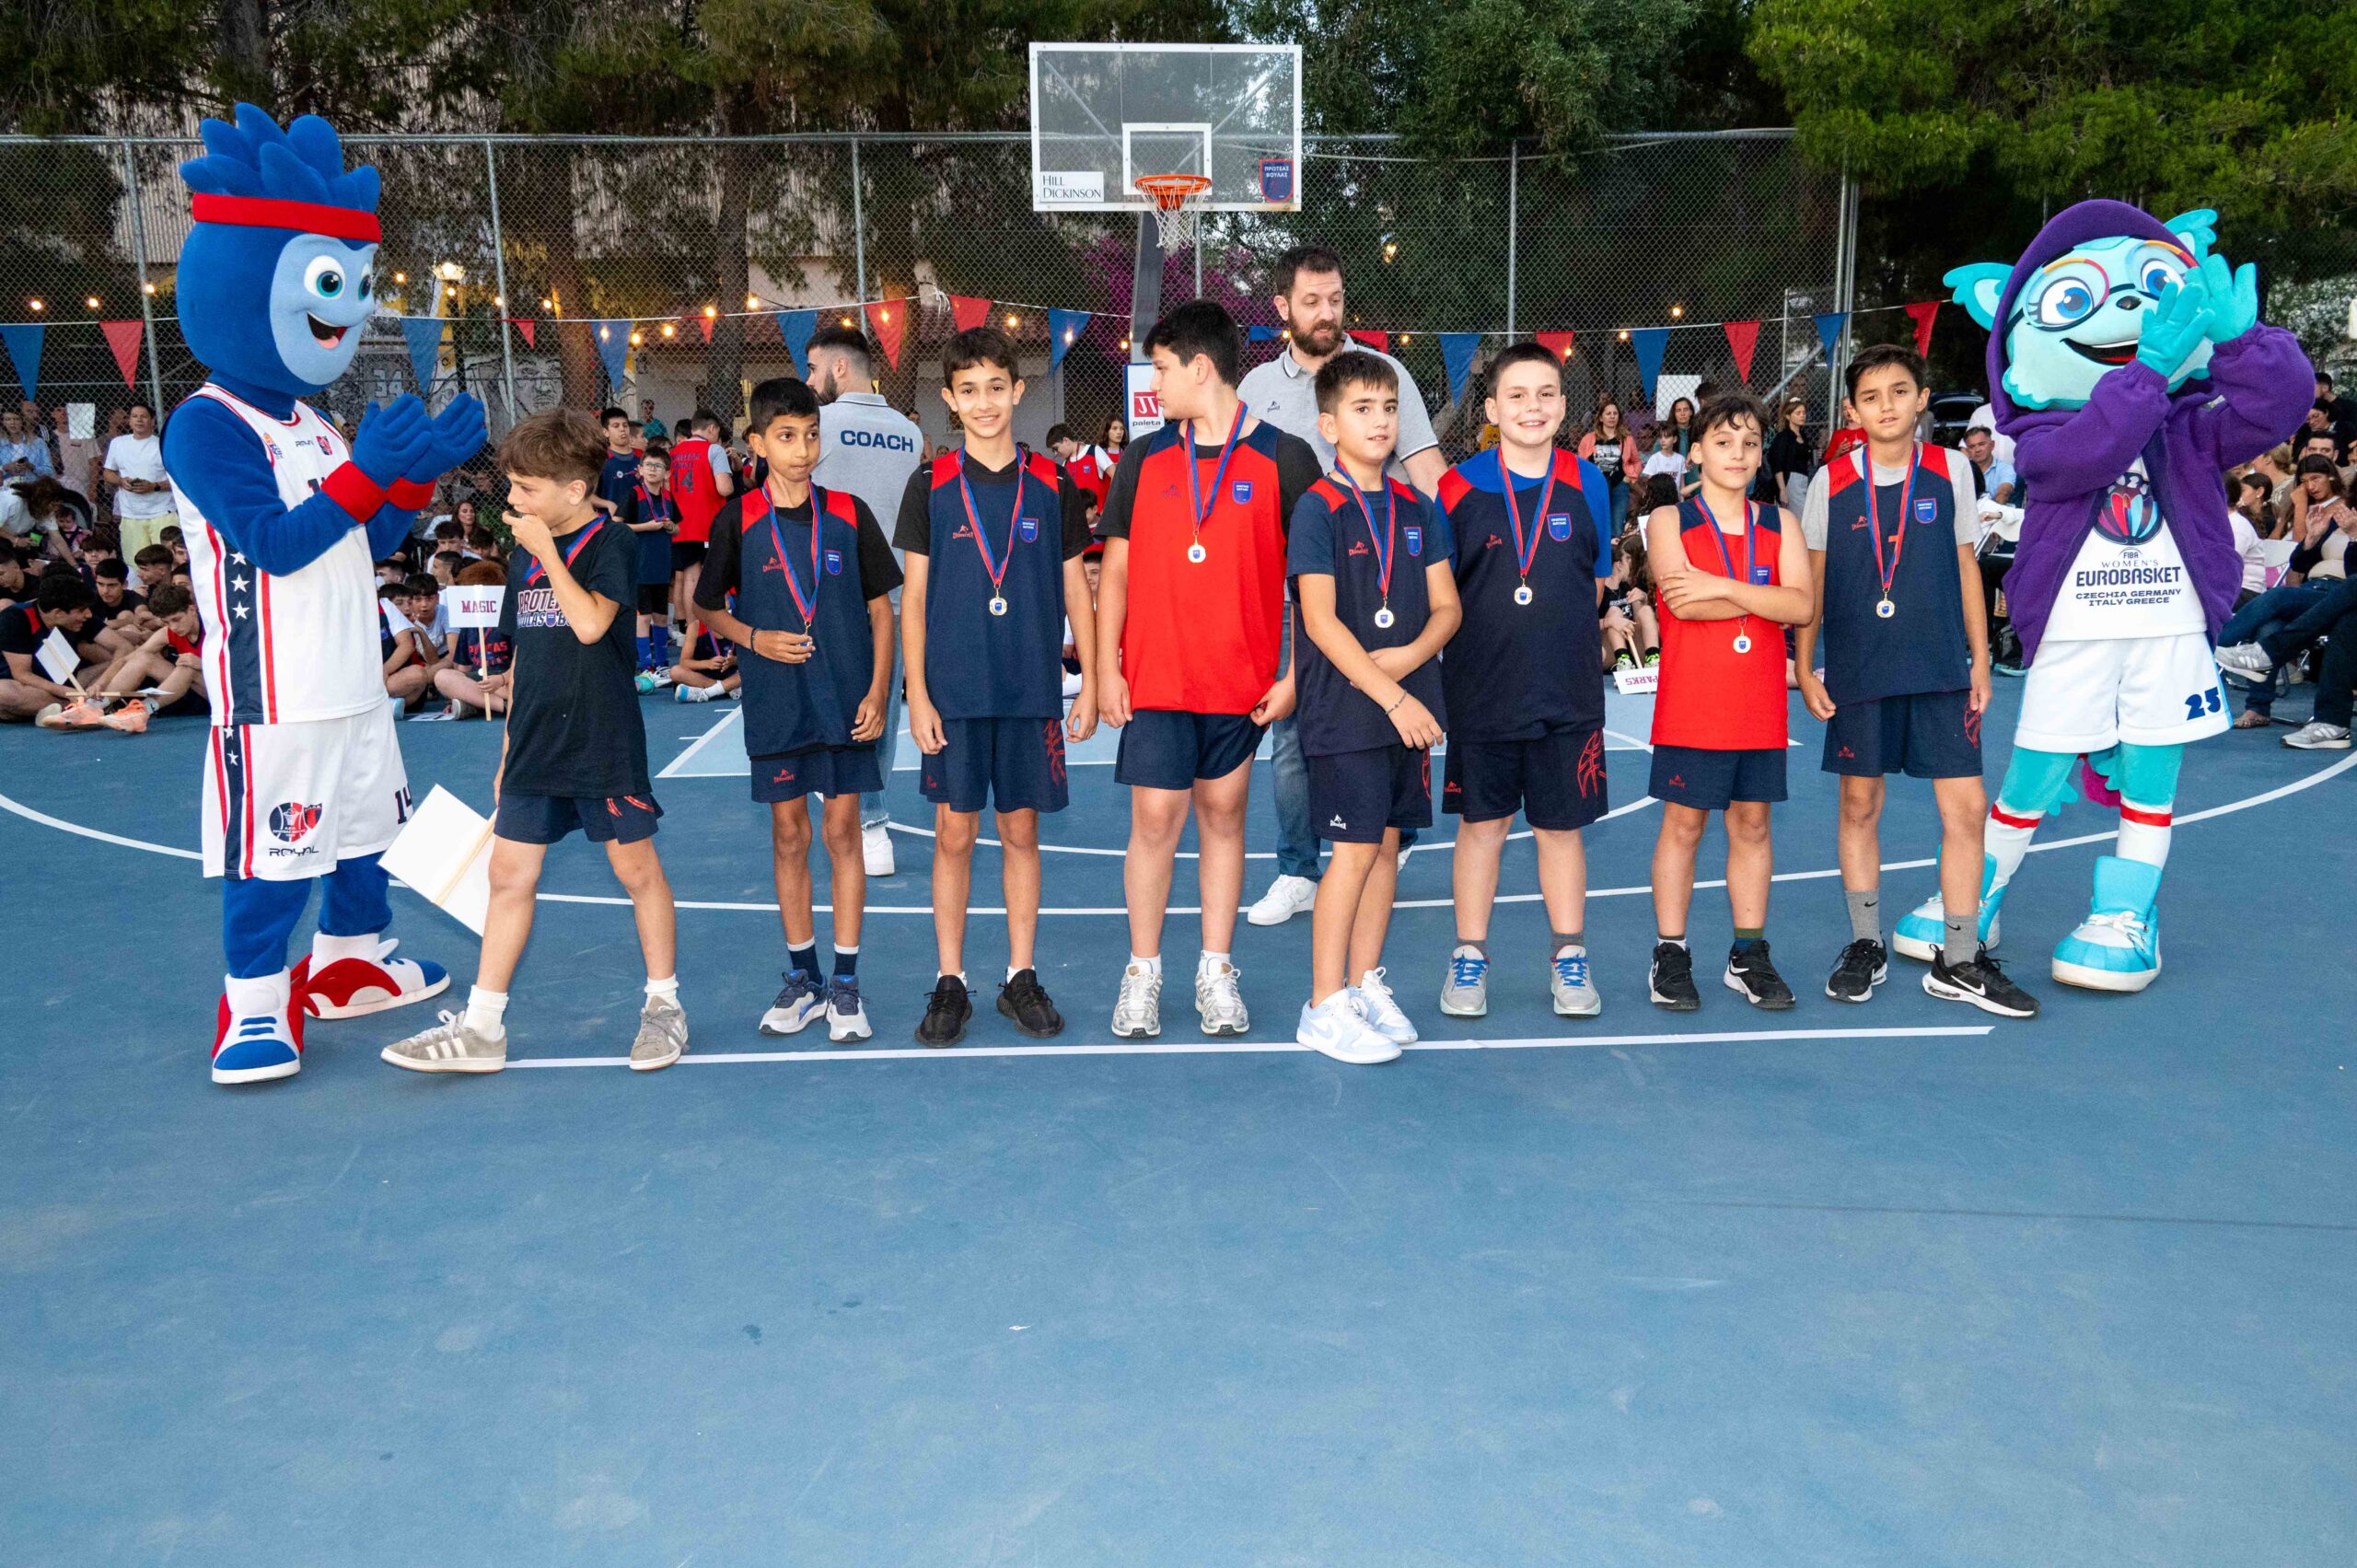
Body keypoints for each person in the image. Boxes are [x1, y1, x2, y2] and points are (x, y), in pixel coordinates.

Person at [381, 410, 685, 1074]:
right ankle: (482, 1027)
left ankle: (664, 1006)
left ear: (574, 490)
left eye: (526, 488)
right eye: (512, 485)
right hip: (535, 744)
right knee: (507, 875)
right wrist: (506, 750)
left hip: (602, 741)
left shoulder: (610, 542)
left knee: (638, 873)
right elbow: (525, 658)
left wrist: (548, 552)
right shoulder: (523, 555)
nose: (513, 500)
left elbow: (590, 625)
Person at [1097, 298, 1320, 1039]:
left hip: (1242, 681)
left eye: (1162, 368)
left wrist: (1295, 675)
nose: (1154, 383)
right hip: (1157, 676)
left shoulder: (1286, 458)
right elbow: (1115, 571)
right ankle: (1143, 970)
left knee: (1224, 816)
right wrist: (1106, 668)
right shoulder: (1144, 457)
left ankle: (1216, 969)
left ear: (1200, 368)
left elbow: (1312, 584)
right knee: (1154, 820)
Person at [1794, 343, 2036, 1016]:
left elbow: (1966, 566)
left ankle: (1959, 957)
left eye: (1900, 392)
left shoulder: (1952, 468)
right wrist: (1804, 664)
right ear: (1852, 410)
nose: (1887, 406)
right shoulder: (1830, 481)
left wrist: (1980, 659)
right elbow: (1813, 580)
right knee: (1859, 805)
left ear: (1922, 398)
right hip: (1859, 667)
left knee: (1967, 808)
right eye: (1871, 397)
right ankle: (1865, 941)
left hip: (1938, 666)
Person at [898, 327, 1100, 1045]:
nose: (983, 402)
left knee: (1021, 829)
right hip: (954, 693)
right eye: (968, 390)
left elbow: (1076, 587)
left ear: (1017, 390)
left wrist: (1091, 680)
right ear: (950, 400)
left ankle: (1020, 974)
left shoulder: (1053, 482)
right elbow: (913, 599)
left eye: (995, 387)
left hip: (1028, 689)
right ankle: (950, 979)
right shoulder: (929, 484)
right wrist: (917, 694)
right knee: (953, 833)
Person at [1237, 244, 1448, 929]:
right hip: (1302, 594)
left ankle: (1390, 841)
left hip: (1385, 587)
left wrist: (1450, 561)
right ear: (1282, 307)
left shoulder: (1386, 374)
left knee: (1392, 723)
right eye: (1311, 302)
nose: (1326, 313)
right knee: (1293, 736)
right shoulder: (1255, 391)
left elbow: (1429, 473)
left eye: (1335, 299)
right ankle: (1298, 869)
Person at [696, 377, 901, 1044]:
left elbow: (881, 612)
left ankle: (846, 983)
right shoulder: (738, 519)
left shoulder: (848, 513)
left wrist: (878, 690)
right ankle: (803, 978)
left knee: (844, 835)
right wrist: (754, 638)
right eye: (786, 436)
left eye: (811, 435)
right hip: (778, 703)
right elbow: (706, 606)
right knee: (789, 836)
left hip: (845, 701)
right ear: (757, 444)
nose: (803, 449)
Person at [1434, 342, 1616, 1020]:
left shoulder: (1588, 482)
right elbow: (1442, 591)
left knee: (1560, 829)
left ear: (1564, 406)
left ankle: (1569, 956)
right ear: (1491, 409)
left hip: (1566, 693)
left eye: (1545, 394)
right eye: (1516, 395)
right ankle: (1469, 955)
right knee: (1482, 826)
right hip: (1482, 691)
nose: (1531, 407)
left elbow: (1594, 582)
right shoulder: (1457, 487)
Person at [1287, 352, 1459, 1063]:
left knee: (1387, 845)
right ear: (1329, 425)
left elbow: (1448, 608)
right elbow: (1319, 621)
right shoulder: (1317, 507)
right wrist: (1389, 692)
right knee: (1354, 850)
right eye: (1362, 408)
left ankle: (1361, 984)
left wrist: (1407, 661)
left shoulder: (1419, 507)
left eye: (1389, 407)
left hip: (1407, 701)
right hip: (1349, 709)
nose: (1381, 420)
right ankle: (1323, 1004)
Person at [1643, 391, 1815, 1011]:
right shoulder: (1670, 520)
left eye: (1749, 443)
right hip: (1693, 700)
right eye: (1722, 442)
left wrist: (1721, 585)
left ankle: (1748, 953)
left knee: (1753, 824)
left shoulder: (1780, 523)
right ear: (1696, 452)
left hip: (1758, 701)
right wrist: (1762, 596)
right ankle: (1670, 952)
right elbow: (1681, 601)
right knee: (1684, 825)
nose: (1737, 453)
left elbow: (1802, 606)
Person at [807, 325, 925, 878]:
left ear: (839, 368)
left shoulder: (821, 425)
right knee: (881, 706)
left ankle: (862, 816)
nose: (810, 380)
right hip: (896, 588)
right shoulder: (908, 431)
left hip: (829, 590)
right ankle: (873, 825)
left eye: (814, 369)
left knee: (829, 702)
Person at [2214, 457, 2352, 726]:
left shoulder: (2351, 526)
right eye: (2305, 481)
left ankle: (2214, 647)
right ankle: (2258, 709)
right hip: (2314, 587)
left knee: (2276, 596)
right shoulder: (2337, 521)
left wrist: (2355, 536)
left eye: (2316, 479)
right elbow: (2299, 563)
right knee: (2270, 627)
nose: (2310, 486)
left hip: (2340, 593)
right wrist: (2311, 539)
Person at [665, 410, 736, 659]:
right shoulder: (713, 450)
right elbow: (724, 488)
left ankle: (693, 633)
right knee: (715, 577)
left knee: (689, 578)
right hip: (708, 524)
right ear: (713, 428)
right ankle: (716, 631)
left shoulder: (673, 453)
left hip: (680, 526)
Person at [0, 575, 100, 719]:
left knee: (116, 662)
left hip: (66, 682)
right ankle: (75, 707)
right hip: (26, 686)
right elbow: (22, 674)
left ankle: (57, 709)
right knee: (4, 692)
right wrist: (66, 693)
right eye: (81, 610)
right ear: (58, 613)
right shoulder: (14, 617)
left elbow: (120, 646)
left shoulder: (74, 612)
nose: (88, 614)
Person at [620, 447, 678, 677]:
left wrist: (671, 527)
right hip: (640, 566)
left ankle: (662, 663)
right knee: (643, 616)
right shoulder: (634, 494)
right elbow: (617, 525)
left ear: (667, 473)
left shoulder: (668, 497)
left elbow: (678, 527)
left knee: (661, 616)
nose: (653, 470)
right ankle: (645, 665)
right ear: (640, 470)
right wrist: (647, 527)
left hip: (661, 565)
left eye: (658, 466)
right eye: (648, 465)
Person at [430, 560, 512, 717]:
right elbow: (463, 668)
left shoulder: (509, 621)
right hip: (479, 680)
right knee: (442, 676)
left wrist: (501, 679)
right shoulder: (469, 623)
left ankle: (474, 703)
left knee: (509, 687)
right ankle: (503, 706)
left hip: (504, 679)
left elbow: (519, 663)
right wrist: (454, 693)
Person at [102, 401, 176, 559]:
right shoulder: (118, 443)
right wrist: (121, 481)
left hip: (162, 513)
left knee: (167, 559)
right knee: (135, 561)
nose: (139, 420)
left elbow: (177, 481)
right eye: (135, 416)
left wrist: (154, 486)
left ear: (152, 421)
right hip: (131, 514)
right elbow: (107, 473)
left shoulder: (163, 444)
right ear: (129, 421)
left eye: (144, 416)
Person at [1578, 398, 1642, 532]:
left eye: (1615, 413)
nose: (1612, 416)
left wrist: (1630, 477)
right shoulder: (1589, 439)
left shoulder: (1627, 439)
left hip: (1620, 484)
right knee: (1598, 524)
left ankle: (1615, 544)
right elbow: (1581, 464)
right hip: (1597, 486)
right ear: (1601, 418)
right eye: (1608, 413)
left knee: (1617, 525)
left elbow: (1636, 460)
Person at [1767, 397, 1816, 510]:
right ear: (1788, 416)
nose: (1802, 416)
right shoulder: (1783, 437)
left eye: (1804, 413)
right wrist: (1782, 489)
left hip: (1804, 479)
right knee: (1802, 514)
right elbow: (1778, 465)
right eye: (1798, 413)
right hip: (1791, 480)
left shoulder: (1804, 436)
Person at [1962, 426, 2015, 504]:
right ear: (1967, 451)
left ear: (1992, 445)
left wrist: (1993, 509)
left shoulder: (2006, 468)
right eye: (1972, 447)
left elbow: (2004, 493)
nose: (1977, 450)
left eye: (1981, 444)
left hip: (1998, 510)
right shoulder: (1962, 470)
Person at [1641, 419, 1687, 486]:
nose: (1663, 440)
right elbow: (1650, 485)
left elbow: (1682, 486)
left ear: (1674, 439)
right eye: (1661, 437)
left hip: (1675, 493)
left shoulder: (1680, 459)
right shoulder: (1654, 459)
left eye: (1666, 437)